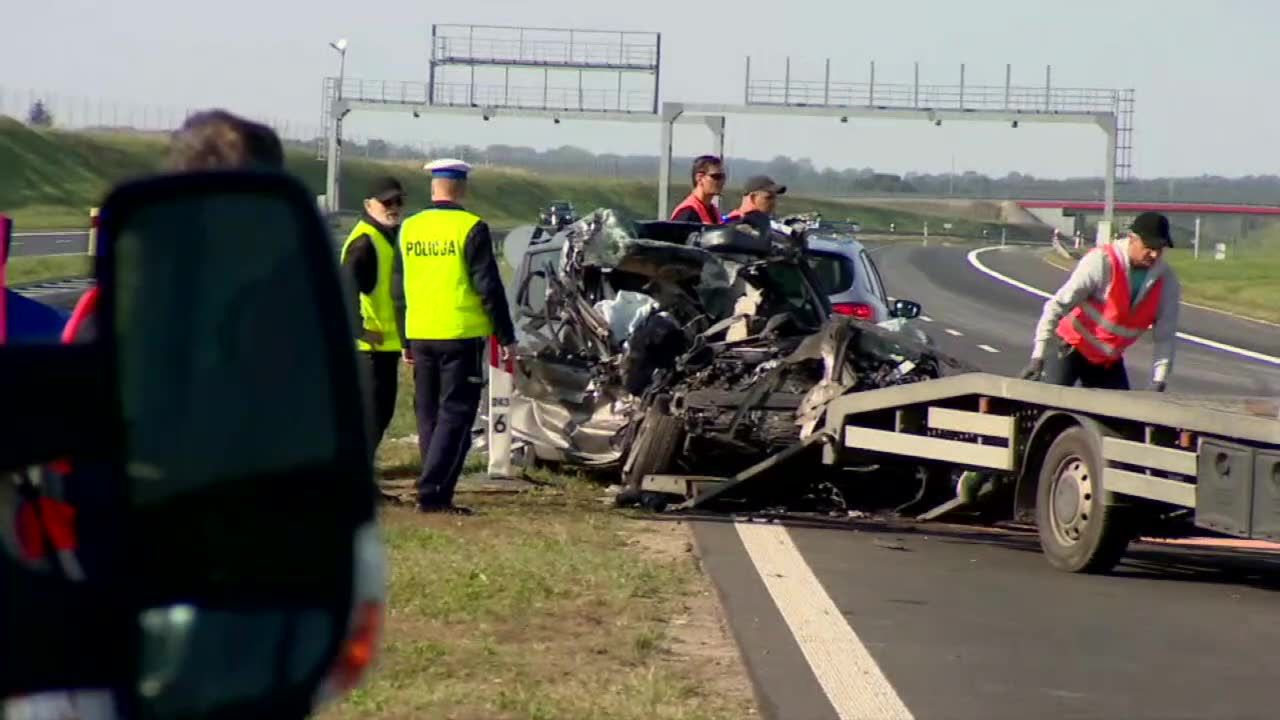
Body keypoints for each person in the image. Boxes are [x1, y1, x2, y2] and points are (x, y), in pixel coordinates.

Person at [393, 159, 516, 515]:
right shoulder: (471, 227)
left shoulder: (410, 228)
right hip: (459, 335)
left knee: (428, 413)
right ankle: (433, 494)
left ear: (433, 187)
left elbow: (398, 289)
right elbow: (488, 288)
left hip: (420, 332)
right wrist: (506, 336)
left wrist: (404, 338)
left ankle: (431, 486)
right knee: (456, 414)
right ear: (461, 188)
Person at [1020, 211, 1181, 391]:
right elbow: (1056, 306)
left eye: (1159, 249)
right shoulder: (1102, 262)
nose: (1153, 254)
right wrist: (1038, 356)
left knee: (1120, 416)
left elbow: (1165, 336)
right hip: (1070, 348)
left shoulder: (1166, 281)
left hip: (1107, 361)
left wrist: (1159, 380)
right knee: (1049, 401)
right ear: (1132, 238)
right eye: (1148, 247)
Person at [341, 176, 406, 457]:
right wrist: (360, 331)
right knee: (371, 417)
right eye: (386, 202)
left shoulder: (387, 236)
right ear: (369, 204)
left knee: (380, 414)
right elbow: (344, 289)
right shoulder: (365, 241)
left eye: (398, 201)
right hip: (369, 347)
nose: (393, 207)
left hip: (384, 347)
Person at [670, 154, 726, 224]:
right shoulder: (687, 212)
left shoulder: (713, 210)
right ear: (699, 178)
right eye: (716, 176)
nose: (721, 181)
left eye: (723, 177)